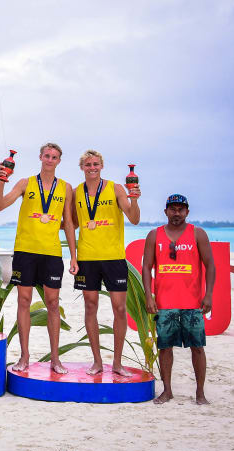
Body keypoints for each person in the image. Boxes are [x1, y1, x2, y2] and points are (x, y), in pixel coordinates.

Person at [0, 143, 78, 373]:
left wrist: (73, 256)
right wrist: (2, 180)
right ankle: (24, 356)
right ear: (40, 157)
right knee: (23, 301)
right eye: (47, 156)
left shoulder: (66, 188)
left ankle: (55, 359)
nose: (50, 159)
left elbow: (69, 223)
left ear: (59, 161)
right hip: (25, 250)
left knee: (52, 304)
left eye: (55, 157)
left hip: (51, 252)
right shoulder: (25, 183)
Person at [72, 150, 140, 375]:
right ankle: (97, 362)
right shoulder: (76, 192)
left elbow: (134, 218)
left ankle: (117, 363)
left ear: (102, 166)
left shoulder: (116, 188)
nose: (92, 167)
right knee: (90, 307)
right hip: (87, 258)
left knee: (119, 309)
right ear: (82, 167)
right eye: (88, 164)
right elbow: (70, 225)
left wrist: (134, 200)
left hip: (113, 257)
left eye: (96, 164)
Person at [142, 194, 215, 405]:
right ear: (165, 211)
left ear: (187, 212)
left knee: (198, 348)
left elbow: (210, 265)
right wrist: (149, 295)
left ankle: (200, 393)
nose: (176, 213)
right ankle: (167, 391)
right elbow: (146, 267)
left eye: (180, 209)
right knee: (165, 348)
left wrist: (208, 295)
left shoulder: (198, 234)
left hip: (193, 304)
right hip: (165, 303)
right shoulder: (154, 235)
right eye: (172, 209)